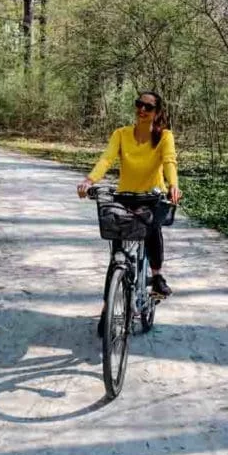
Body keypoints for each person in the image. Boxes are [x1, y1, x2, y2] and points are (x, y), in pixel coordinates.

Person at [77, 91, 182, 335]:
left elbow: (169, 162)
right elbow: (106, 159)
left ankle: (156, 277)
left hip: (152, 196)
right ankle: (107, 308)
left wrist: (174, 185)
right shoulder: (121, 134)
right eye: (139, 104)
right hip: (125, 196)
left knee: (152, 227)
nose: (142, 110)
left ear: (156, 112)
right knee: (117, 258)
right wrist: (89, 179)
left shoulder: (164, 137)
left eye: (148, 106)